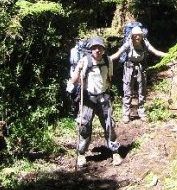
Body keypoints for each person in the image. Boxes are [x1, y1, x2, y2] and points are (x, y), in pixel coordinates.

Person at [71, 36, 122, 167]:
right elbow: (74, 80)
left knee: (109, 124)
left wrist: (108, 93)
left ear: (103, 49)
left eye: (100, 48)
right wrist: (78, 68)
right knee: (84, 125)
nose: (97, 50)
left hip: (104, 97)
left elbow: (109, 79)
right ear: (91, 50)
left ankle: (115, 152)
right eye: (94, 48)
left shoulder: (107, 60)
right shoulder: (84, 61)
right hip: (88, 98)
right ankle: (81, 154)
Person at [110, 26, 167, 123]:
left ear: (142, 35)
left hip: (141, 68)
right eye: (135, 35)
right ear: (132, 36)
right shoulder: (128, 43)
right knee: (127, 91)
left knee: (142, 91)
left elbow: (155, 51)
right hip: (129, 68)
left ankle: (142, 113)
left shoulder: (145, 43)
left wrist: (169, 55)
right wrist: (105, 60)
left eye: (139, 35)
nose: (137, 37)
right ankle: (126, 114)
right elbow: (117, 54)